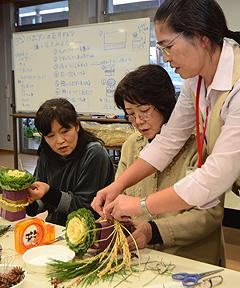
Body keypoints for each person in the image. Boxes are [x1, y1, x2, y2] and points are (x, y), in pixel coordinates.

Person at [92, 0, 240, 225]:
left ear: (201, 37)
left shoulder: (237, 84)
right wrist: (117, 185)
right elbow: (169, 139)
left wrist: (139, 205)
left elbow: (216, 175)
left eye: (167, 46)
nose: (165, 57)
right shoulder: (195, 81)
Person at [114, 64, 225, 265]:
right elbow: (122, 199)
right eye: (130, 114)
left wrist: (153, 231)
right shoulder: (131, 146)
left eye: (145, 111)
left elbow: (209, 215)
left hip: (191, 260)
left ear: (165, 104)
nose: (138, 121)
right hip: (142, 258)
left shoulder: (200, 146)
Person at [27, 98, 115, 226]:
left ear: (77, 125)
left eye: (65, 132)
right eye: (51, 136)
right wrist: (30, 203)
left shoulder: (94, 153)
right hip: (56, 229)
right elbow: (43, 198)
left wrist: (49, 193)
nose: (60, 141)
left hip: (89, 231)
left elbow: (86, 207)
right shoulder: (46, 154)